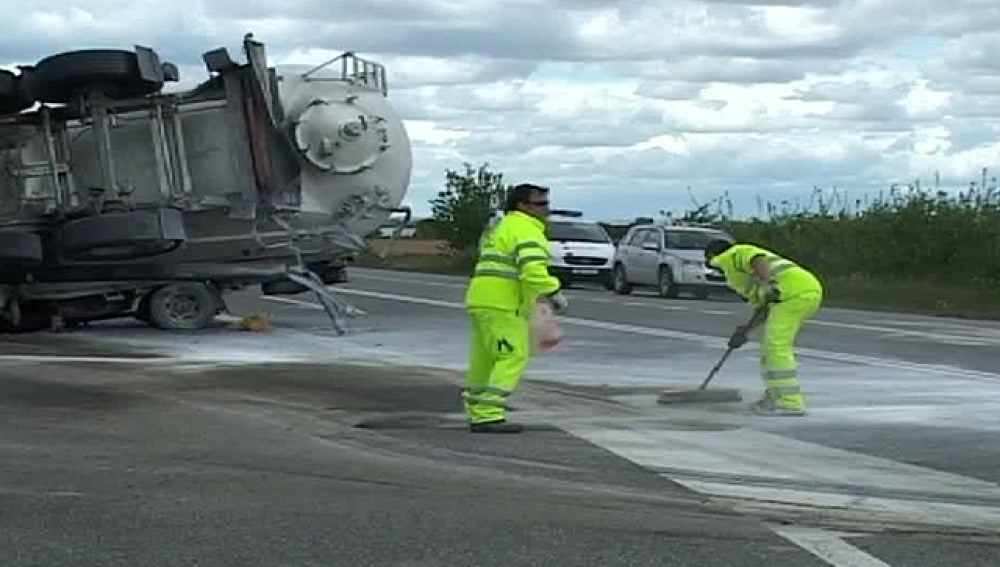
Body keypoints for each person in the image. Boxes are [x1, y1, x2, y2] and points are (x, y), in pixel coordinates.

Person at [461, 183, 569, 433]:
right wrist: (554, 293)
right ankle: (488, 413)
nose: (547, 209)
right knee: (513, 355)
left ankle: (477, 408)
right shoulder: (525, 229)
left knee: (485, 359)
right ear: (522, 205)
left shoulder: (503, 226)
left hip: (482, 300)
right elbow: (533, 270)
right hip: (503, 304)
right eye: (540, 204)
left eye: (547, 203)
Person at [704, 239, 823, 416]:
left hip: (794, 294)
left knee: (776, 346)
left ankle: (789, 403)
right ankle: (775, 395)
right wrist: (746, 330)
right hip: (798, 293)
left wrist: (769, 284)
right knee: (768, 348)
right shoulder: (740, 274)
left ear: (712, 257)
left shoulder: (733, 254)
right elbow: (763, 307)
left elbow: (757, 259)